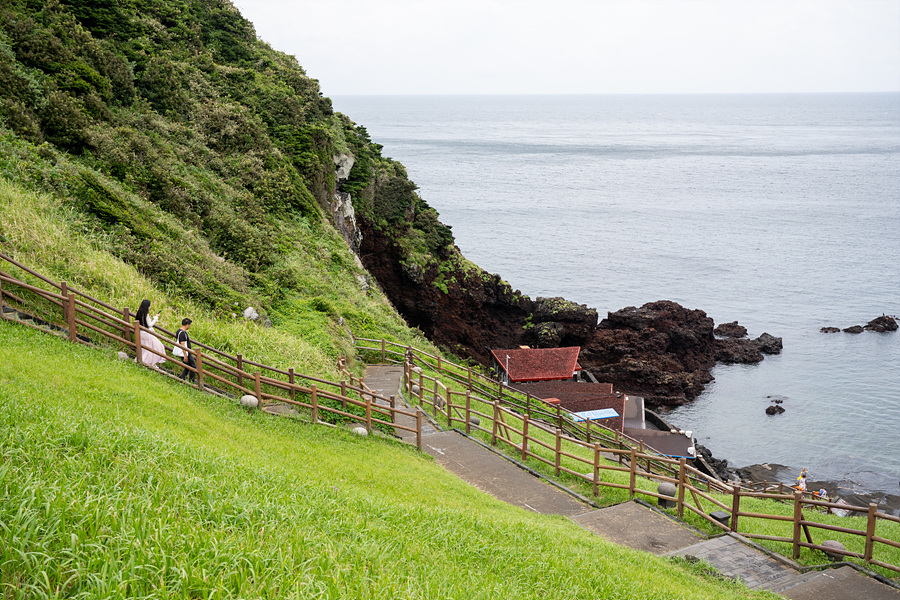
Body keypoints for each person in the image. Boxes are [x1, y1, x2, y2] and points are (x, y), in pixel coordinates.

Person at [134, 299, 166, 369]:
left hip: (140, 333)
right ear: (147, 306)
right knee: (158, 346)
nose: (150, 307)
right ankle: (149, 363)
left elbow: (143, 322)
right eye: (149, 305)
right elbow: (150, 325)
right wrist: (156, 318)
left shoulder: (139, 313)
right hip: (146, 334)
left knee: (145, 349)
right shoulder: (146, 314)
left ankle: (142, 361)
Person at [176, 317, 195, 382]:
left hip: (185, 352)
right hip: (186, 352)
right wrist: (185, 355)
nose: (189, 326)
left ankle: (183, 378)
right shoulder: (182, 333)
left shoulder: (179, 331)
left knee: (187, 367)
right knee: (193, 366)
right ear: (187, 325)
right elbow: (182, 344)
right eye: (189, 325)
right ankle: (192, 380)